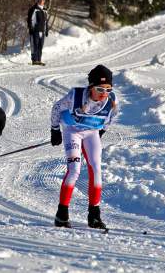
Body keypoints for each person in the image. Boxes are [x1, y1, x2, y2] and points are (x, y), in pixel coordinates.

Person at [50, 65, 119, 229]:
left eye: (108, 89)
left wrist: (101, 131)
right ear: (91, 87)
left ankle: (94, 215)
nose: (104, 94)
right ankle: (62, 214)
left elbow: (110, 119)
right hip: (72, 131)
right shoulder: (76, 95)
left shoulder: (111, 102)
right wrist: (55, 130)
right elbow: (57, 108)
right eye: (100, 89)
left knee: (96, 169)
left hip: (91, 133)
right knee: (74, 170)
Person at [27, 0, 48, 66]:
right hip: (35, 31)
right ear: (38, 0)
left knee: (40, 46)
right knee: (35, 45)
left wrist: (46, 29)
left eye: (44, 0)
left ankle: (39, 60)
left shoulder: (45, 10)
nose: (43, 1)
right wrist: (31, 29)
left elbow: (45, 21)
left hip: (42, 30)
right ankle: (34, 60)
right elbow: (30, 20)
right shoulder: (34, 9)